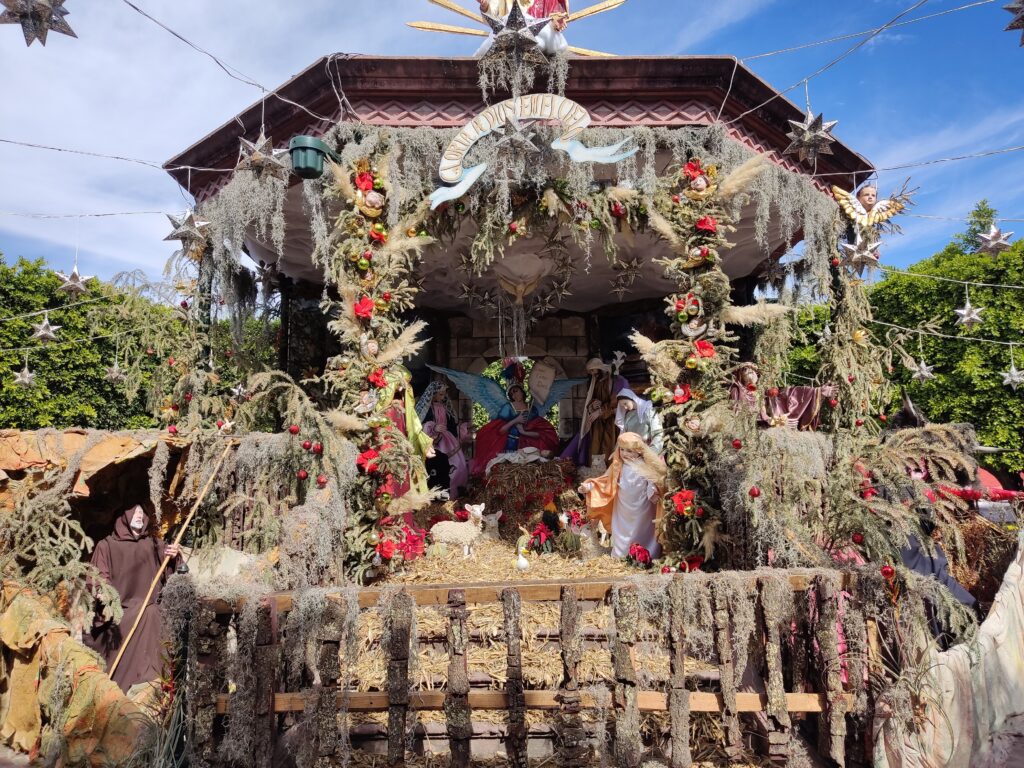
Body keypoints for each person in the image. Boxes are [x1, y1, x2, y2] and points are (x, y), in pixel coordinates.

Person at [85, 503, 182, 693]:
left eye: (141, 512)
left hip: (151, 608)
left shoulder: (154, 545)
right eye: (134, 512)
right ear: (124, 516)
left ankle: (154, 681)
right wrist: (103, 593)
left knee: (153, 613)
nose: (139, 515)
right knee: (146, 614)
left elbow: (175, 572)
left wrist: (174, 557)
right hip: (121, 610)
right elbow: (97, 578)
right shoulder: (106, 546)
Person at [579, 433, 666, 559]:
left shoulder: (645, 465)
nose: (625, 454)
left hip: (643, 507)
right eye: (622, 450)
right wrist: (589, 486)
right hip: (622, 507)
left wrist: (652, 491)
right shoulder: (618, 465)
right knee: (622, 530)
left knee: (643, 529)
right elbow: (605, 481)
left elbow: (652, 480)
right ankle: (622, 554)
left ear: (639, 451)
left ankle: (647, 554)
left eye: (629, 451)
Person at [376, 366, 434, 497]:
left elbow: (414, 426)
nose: (404, 387)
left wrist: (423, 443)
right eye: (399, 382)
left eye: (406, 383)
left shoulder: (403, 405)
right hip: (386, 448)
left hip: (402, 449)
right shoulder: (385, 407)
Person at [561, 358, 629, 467]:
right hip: (598, 422)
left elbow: (616, 402)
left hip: (611, 421)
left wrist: (601, 411)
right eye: (590, 372)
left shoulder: (615, 380)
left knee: (609, 447)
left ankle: (609, 473)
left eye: (593, 370)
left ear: (600, 368)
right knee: (595, 446)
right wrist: (593, 404)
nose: (592, 374)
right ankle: (596, 471)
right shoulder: (596, 381)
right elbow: (592, 399)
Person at [417, 381, 471, 499]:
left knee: (458, 465)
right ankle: (435, 492)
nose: (443, 397)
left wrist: (461, 429)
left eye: (444, 394)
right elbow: (421, 424)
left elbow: (451, 424)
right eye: (440, 394)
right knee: (435, 465)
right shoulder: (428, 409)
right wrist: (434, 429)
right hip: (432, 439)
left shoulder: (445, 408)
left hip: (447, 439)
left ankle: (454, 492)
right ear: (433, 394)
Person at [476, 0, 569, 56]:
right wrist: (485, 6)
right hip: (510, 41)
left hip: (539, 40)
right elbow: (493, 15)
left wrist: (556, 20)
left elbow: (555, 12)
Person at [615, 389, 664, 455]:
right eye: (623, 406)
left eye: (625, 403)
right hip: (632, 454)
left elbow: (658, 433)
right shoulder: (628, 416)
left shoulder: (649, 411)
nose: (625, 407)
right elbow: (624, 436)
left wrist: (651, 453)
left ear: (632, 398)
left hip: (648, 451)